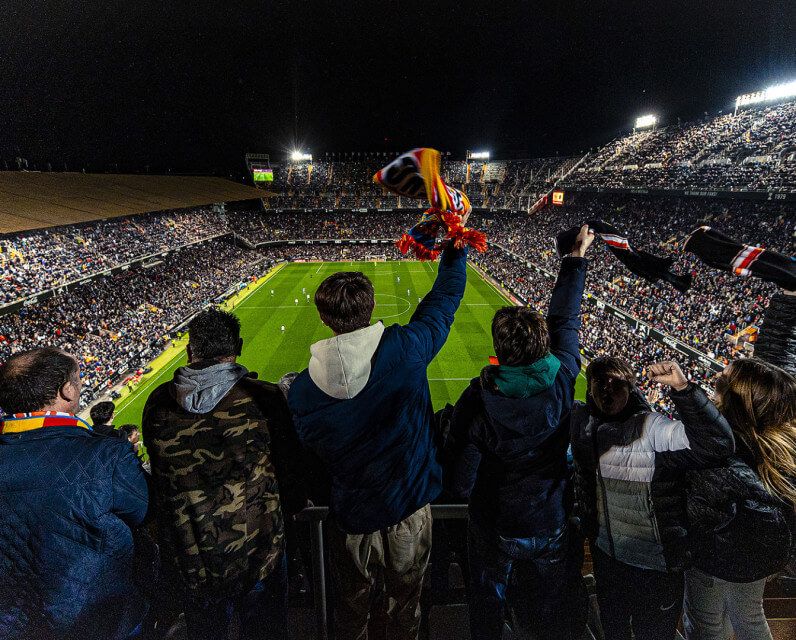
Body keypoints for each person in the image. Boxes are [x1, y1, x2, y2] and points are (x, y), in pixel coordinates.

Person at [288, 242, 468, 640]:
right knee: (406, 607)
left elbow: (311, 452)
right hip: (408, 508)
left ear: (323, 317)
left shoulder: (303, 391)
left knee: (351, 611)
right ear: (369, 308)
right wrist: (455, 248)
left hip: (352, 518)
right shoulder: (405, 350)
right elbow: (444, 300)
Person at [446, 225, 594, 639]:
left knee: (489, 602)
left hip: (495, 523)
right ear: (542, 346)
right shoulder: (563, 377)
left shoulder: (477, 401)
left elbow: (459, 481)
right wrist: (575, 259)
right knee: (549, 602)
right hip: (550, 519)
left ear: (499, 347)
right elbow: (566, 319)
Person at [142, 308, 306, 640]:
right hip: (260, 553)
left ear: (191, 351)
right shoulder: (265, 398)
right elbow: (291, 472)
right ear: (240, 346)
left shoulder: (158, 403)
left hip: (194, 557)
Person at [570, 357, 735, 640]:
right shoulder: (581, 422)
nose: (608, 390)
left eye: (617, 383)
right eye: (601, 382)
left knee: (654, 633)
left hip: (655, 566)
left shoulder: (652, 427)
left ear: (631, 387)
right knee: (614, 629)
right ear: (590, 386)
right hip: (607, 557)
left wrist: (684, 391)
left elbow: (718, 444)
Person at [0, 347, 149, 640]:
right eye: (78, 379)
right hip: (100, 618)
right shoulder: (106, 453)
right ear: (67, 390)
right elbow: (142, 511)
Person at [683, 358, 796, 640]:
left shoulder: (721, 456)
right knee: (750, 616)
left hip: (713, 560)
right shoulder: (782, 450)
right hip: (759, 564)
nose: (715, 380)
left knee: (706, 625)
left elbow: (699, 515)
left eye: (722, 380)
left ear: (739, 401)